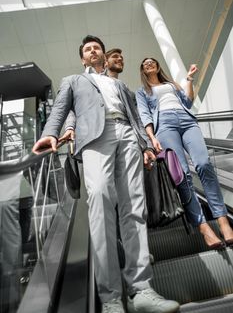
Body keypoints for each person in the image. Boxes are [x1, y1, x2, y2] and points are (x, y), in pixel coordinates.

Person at [32, 37, 180, 313]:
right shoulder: (74, 81)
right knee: (99, 202)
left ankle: (142, 291)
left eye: (96, 47)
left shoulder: (120, 84)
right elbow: (61, 109)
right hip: (95, 140)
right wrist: (50, 134)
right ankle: (111, 298)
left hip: (127, 135)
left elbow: (135, 116)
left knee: (135, 209)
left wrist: (145, 145)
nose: (93, 51)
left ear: (102, 53)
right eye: (88, 49)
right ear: (83, 58)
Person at [136, 57, 233, 249]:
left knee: (204, 164)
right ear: (143, 70)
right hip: (163, 125)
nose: (149, 63)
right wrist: (151, 137)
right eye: (145, 62)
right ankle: (203, 226)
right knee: (183, 175)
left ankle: (223, 221)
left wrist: (189, 79)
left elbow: (188, 102)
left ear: (157, 66)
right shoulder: (142, 92)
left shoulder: (171, 85)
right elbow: (144, 115)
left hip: (187, 121)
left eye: (152, 61)